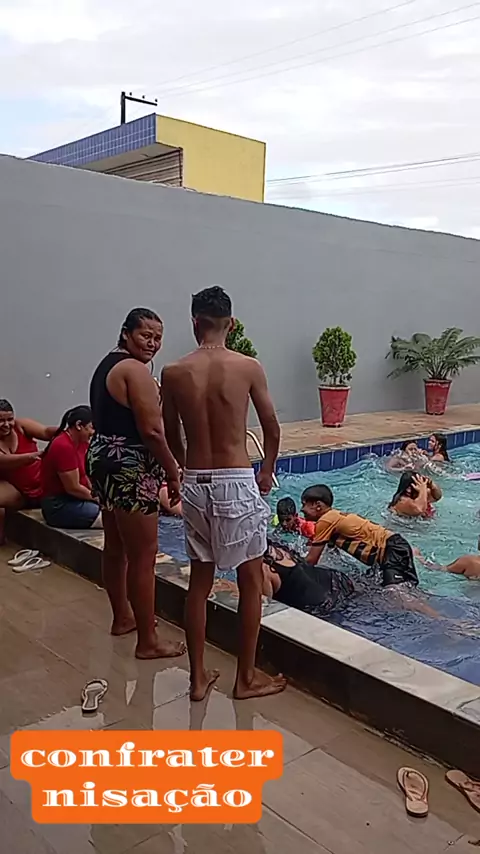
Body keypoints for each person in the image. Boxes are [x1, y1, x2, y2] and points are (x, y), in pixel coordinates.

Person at [161, 285, 286, 701]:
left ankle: (197, 679)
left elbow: (169, 432)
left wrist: (183, 469)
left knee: (200, 583)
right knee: (250, 580)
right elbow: (271, 427)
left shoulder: (174, 372)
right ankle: (244, 679)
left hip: (196, 480)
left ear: (194, 322)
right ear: (230, 323)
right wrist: (266, 470)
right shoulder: (247, 366)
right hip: (235, 477)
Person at [86, 307, 185, 660]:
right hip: (130, 467)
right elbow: (153, 431)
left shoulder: (107, 365)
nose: (153, 343)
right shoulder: (135, 370)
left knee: (116, 547)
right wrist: (173, 471)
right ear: (126, 333)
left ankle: (122, 618)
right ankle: (148, 641)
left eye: (158, 338)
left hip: (103, 459)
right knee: (144, 556)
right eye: (146, 335)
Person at [301, 484, 419, 587]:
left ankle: (427, 607)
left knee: (395, 593)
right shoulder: (333, 518)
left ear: (317, 505)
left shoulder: (325, 521)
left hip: (391, 550)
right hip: (392, 548)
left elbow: (311, 560)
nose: (302, 509)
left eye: (304, 504)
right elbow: (330, 555)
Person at [0, 399, 57, 544]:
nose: (6, 425)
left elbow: (45, 432)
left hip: (43, 488)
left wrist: (64, 430)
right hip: (17, 493)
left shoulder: (21, 426)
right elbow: (4, 460)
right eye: (1, 421)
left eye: (9, 419)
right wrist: (32, 456)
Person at [40, 406, 102, 529]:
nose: (94, 432)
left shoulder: (82, 443)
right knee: (108, 517)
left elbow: (87, 475)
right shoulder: (63, 446)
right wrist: (98, 499)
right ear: (79, 425)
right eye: (91, 427)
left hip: (77, 498)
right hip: (59, 505)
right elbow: (73, 488)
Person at [261, 540, 355, 615]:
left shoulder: (263, 571)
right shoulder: (276, 549)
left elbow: (264, 611)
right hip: (339, 580)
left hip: (323, 606)